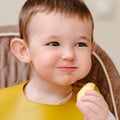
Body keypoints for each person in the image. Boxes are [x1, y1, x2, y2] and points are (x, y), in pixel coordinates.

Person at [0, 0, 116, 120]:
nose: (69, 55)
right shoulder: (3, 102)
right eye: (54, 43)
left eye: (80, 44)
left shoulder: (94, 105)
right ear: (23, 50)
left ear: (91, 50)